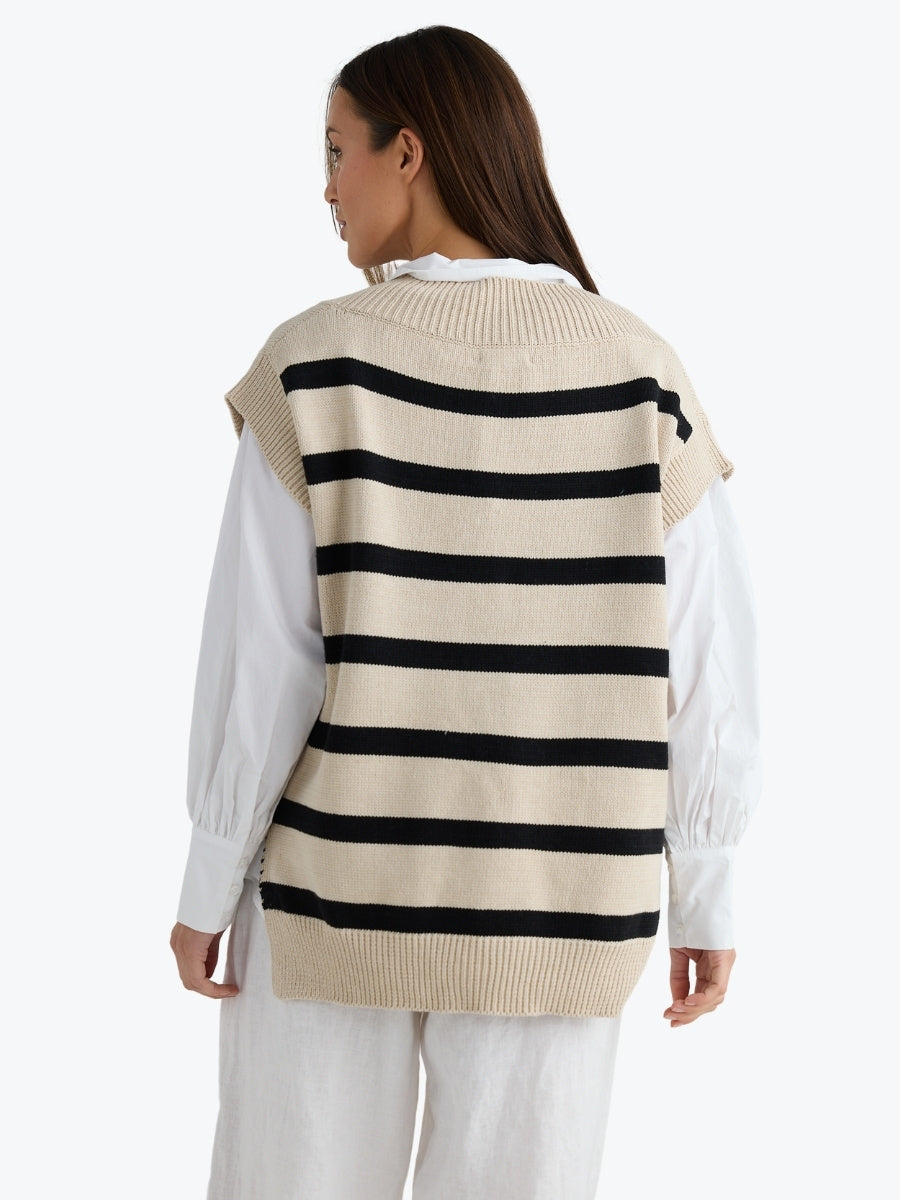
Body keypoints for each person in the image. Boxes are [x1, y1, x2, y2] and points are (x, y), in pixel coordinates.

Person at [170, 25, 761, 1200]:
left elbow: (264, 667)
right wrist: (707, 882)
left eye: (335, 150)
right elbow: (705, 666)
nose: (325, 188)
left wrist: (207, 880)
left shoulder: (313, 367)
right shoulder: (640, 372)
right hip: (561, 911)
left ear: (409, 153)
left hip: (334, 904)